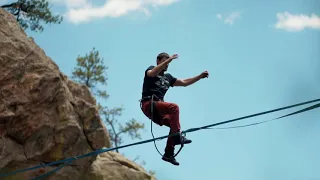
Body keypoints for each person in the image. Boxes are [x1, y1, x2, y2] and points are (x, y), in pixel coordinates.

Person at [140, 52, 209, 166]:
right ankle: (177, 137)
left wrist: (199, 76)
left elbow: (184, 82)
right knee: (174, 108)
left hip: (158, 110)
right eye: (164, 62)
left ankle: (168, 153)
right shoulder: (151, 69)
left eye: (168, 63)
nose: (167, 65)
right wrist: (169, 59)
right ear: (158, 61)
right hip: (149, 104)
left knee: (173, 124)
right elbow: (152, 74)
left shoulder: (168, 78)